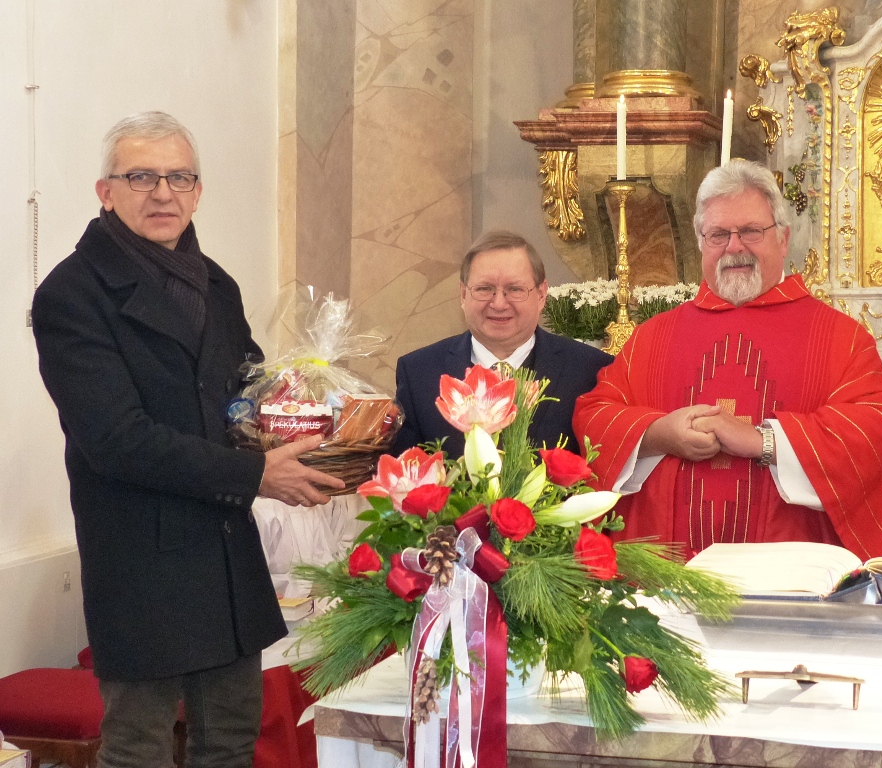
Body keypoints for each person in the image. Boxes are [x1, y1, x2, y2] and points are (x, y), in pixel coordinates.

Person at [32, 111, 342, 768]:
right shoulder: (72, 294)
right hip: (142, 560)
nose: (163, 192)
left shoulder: (216, 285)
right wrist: (256, 475)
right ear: (105, 191)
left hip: (227, 554)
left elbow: (246, 394)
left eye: (179, 176)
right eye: (141, 176)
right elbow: (117, 440)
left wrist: (310, 408)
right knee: (139, 751)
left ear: (198, 191)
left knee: (231, 743)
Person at [573, 160, 882, 558]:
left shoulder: (841, 338)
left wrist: (763, 441)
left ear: (783, 238)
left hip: (793, 577)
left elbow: (874, 427)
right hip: (666, 578)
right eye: (718, 235)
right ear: (700, 243)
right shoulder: (653, 336)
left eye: (750, 231)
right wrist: (660, 433)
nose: (734, 247)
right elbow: (594, 414)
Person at [393, 230, 612, 457]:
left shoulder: (591, 371)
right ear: (462, 295)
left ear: (541, 295)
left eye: (514, 289)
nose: (498, 303)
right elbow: (408, 473)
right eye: (484, 289)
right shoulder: (418, 373)